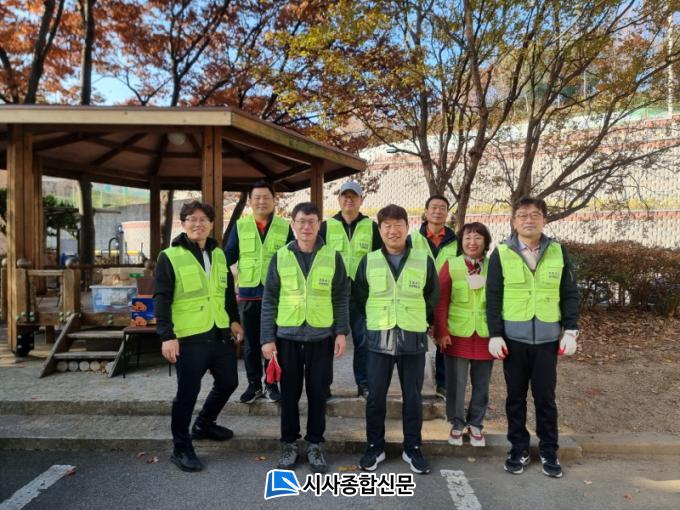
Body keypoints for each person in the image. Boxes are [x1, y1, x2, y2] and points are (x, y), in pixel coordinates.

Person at [486, 197, 579, 478]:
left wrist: (571, 330)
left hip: (548, 341)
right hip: (513, 341)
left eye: (535, 215)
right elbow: (493, 297)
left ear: (544, 220)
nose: (529, 220)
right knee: (515, 397)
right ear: (514, 221)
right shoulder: (501, 253)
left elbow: (569, 293)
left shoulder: (558, 252)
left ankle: (549, 450)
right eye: (523, 215)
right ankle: (518, 448)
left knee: (545, 398)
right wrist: (495, 334)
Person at [154, 201, 244, 472]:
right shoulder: (170, 256)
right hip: (189, 336)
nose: (198, 224)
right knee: (187, 393)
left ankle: (204, 424)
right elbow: (162, 297)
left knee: (229, 381)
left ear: (211, 224)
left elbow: (226, 292)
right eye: (192, 219)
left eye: (204, 219)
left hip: (218, 332)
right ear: (183, 223)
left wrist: (234, 320)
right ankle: (181, 448)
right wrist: (167, 336)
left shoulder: (219, 255)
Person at [260, 202, 349, 473]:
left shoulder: (332, 256)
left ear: (319, 224)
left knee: (318, 393)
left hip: (321, 337)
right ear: (293, 225)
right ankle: (289, 443)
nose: (306, 227)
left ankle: (314, 444)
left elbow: (341, 297)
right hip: (287, 337)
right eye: (301, 222)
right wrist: (267, 338)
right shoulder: (280, 257)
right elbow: (269, 299)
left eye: (311, 222)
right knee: (289, 394)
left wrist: (341, 332)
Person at [354, 204, 440, 475]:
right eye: (387, 226)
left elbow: (432, 295)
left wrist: (420, 319)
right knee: (375, 397)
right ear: (380, 230)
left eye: (398, 225)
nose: (393, 231)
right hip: (378, 338)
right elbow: (359, 296)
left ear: (407, 226)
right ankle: (374, 447)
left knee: (412, 397)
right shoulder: (369, 261)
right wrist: (373, 320)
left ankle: (412, 448)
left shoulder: (423, 260)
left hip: (412, 337)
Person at [225, 180, 294, 404]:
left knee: (274, 341)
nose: (261, 201)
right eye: (257, 198)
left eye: (266, 197)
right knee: (251, 343)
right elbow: (227, 257)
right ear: (250, 201)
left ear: (274, 201)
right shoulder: (240, 226)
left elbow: (293, 259)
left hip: (276, 296)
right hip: (248, 295)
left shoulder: (284, 227)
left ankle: (272, 384)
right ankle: (254, 384)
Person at [319, 181, 382, 398]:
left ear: (361, 200)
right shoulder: (326, 227)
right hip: (332, 295)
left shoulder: (371, 227)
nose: (349, 200)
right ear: (338, 200)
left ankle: (363, 384)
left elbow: (380, 258)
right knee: (327, 341)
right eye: (345, 196)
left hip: (361, 295)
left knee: (363, 341)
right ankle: (324, 386)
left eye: (353, 196)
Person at [434, 222, 494, 448]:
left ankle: (476, 423)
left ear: (486, 242)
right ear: (461, 242)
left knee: (482, 384)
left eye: (478, 237)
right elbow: (441, 301)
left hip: (485, 335)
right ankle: (457, 423)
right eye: (467, 237)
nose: (472, 242)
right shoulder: (452, 265)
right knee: (456, 383)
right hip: (457, 334)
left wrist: (499, 334)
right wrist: (441, 331)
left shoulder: (494, 266)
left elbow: (500, 301)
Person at [408, 195, 458, 398]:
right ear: (426, 212)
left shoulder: (456, 242)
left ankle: (443, 385)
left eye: (442, 208)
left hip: (447, 299)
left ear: (447, 213)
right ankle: (415, 384)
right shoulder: (412, 240)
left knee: (444, 341)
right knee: (417, 341)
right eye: (434, 207)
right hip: (420, 298)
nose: (438, 211)